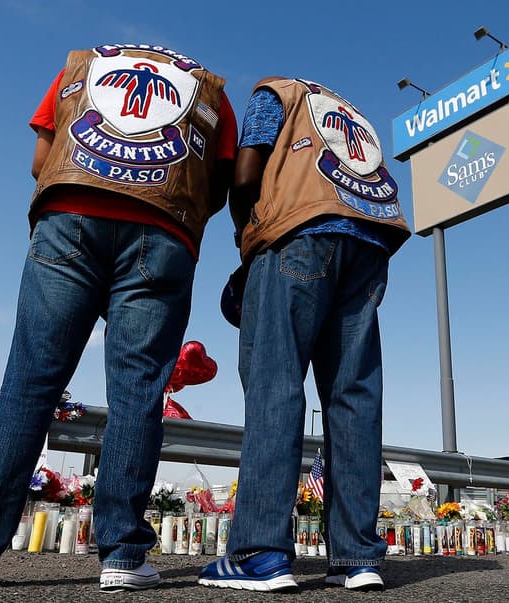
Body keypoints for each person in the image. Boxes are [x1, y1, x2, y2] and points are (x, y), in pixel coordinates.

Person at [0, 43, 236, 592]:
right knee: (138, 394)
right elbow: (214, 188)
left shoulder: (83, 66)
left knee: (30, 385)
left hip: (70, 215)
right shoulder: (211, 91)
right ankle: (123, 556)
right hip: (164, 232)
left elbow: (39, 161)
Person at [198, 77, 411, 593]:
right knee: (354, 396)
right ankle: (358, 558)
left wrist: (247, 238)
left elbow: (247, 174)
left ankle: (260, 553)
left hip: (298, 236)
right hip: (368, 244)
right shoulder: (347, 109)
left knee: (276, 384)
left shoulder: (275, 93)